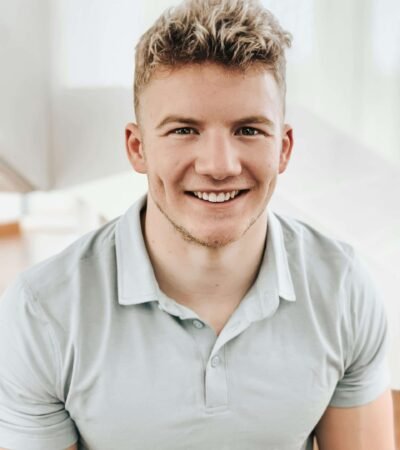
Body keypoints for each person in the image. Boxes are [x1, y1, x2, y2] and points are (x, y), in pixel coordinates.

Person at [0, 0, 395, 449]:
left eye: (248, 130)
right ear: (137, 148)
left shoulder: (343, 289)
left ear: (283, 148)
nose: (219, 166)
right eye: (184, 130)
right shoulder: (43, 313)